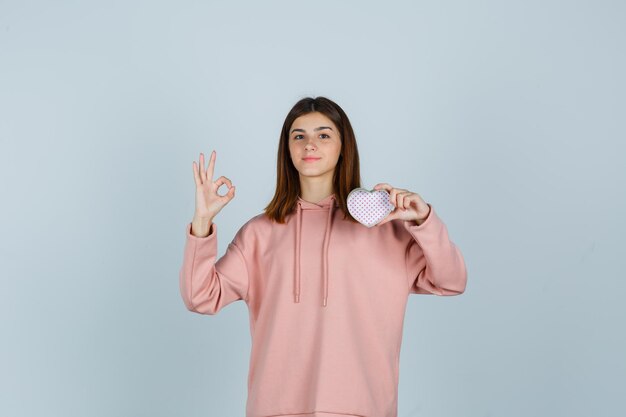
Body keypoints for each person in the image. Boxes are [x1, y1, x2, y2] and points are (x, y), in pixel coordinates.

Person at [179, 96, 468, 417]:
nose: (309, 144)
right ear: (287, 150)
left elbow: (452, 281)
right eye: (298, 136)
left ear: (344, 146)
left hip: (364, 409)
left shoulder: (386, 228)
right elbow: (200, 296)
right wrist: (202, 221)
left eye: (324, 134)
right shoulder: (258, 234)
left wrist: (423, 220)